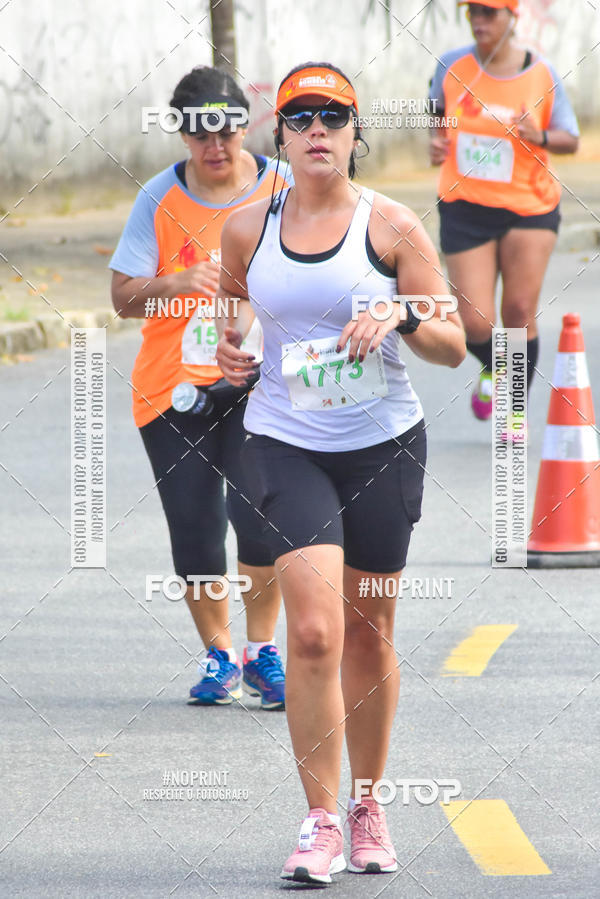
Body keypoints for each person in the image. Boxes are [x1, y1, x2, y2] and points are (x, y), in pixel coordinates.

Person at [215, 62, 466, 884]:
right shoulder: (247, 228)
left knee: (368, 630)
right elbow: (238, 306)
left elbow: (451, 343)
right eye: (300, 117)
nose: (317, 129)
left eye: (333, 115)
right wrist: (229, 343)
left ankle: (368, 804)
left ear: (357, 133)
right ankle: (320, 818)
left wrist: (401, 310)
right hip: (282, 440)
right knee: (315, 630)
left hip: (382, 444)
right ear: (279, 135)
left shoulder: (392, 227)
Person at [109, 66, 289, 709]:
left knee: (260, 521)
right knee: (195, 529)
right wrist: (177, 285)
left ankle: (262, 652)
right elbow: (123, 299)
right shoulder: (158, 197)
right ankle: (219, 657)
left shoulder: (283, 186)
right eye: (199, 133)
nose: (216, 146)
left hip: (260, 383)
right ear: (182, 134)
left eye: (227, 130)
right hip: (173, 387)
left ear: (247, 125)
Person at [429, 0, 579, 428]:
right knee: (474, 321)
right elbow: (437, 113)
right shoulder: (450, 65)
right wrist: (437, 142)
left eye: (489, 13)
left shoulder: (542, 73)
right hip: (464, 204)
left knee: (517, 311)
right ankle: (496, 366)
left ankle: (513, 411)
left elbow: (571, 139)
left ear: (513, 17)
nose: (479, 21)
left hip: (529, 207)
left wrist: (541, 135)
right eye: (472, 12)